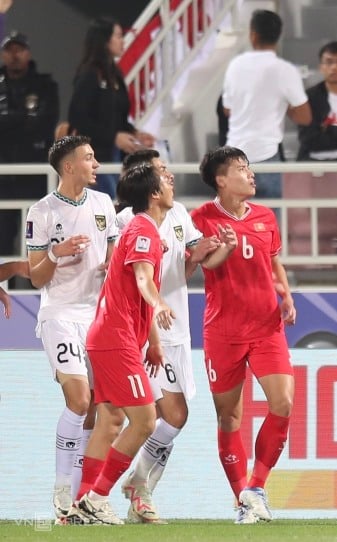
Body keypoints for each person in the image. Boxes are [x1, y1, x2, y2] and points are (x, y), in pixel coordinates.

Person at [190, 146, 296, 524]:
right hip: (224, 331)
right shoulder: (201, 218)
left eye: (249, 169)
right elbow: (204, 263)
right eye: (241, 169)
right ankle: (243, 502)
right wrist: (225, 249)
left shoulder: (266, 216)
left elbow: (274, 261)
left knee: (282, 403)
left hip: (267, 326)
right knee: (229, 417)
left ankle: (256, 486)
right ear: (221, 179)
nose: (250, 175)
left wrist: (285, 295)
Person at [67, 162, 176, 525]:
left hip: (115, 335)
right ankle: (98, 498)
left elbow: (134, 288)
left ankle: (81, 503)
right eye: (165, 179)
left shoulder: (142, 228)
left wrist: (154, 340)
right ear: (154, 194)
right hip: (115, 338)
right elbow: (144, 279)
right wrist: (160, 301)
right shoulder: (143, 229)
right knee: (145, 420)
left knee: (111, 419)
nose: (171, 181)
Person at [115, 150, 221, 523]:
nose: (169, 176)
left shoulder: (178, 214)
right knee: (165, 416)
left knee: (169, 418)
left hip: (175, 328)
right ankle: (107, 489)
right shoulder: (128, 221)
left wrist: (204, 252)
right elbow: (133, 276)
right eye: (161, 171)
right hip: (142, 330)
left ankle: (137, 494)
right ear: (146, 182)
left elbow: (186, 263)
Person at [25, 135, 118, 523]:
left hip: (97, 317)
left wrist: (110, 267)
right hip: (60, 314)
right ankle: (62, 488)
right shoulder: (42, 212)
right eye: (89, 158)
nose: (96, 164)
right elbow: (34, 277)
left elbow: (113, 252)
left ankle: (80, 501)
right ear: (68, 167)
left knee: (96, 411)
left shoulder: (103, 204)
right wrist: (55, 253)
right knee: (79, 400)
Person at [221, 10, 311, 208]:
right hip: (267, 155)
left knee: (233, 223)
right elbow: (305, 117)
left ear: (253, 34)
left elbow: (227, 110)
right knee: (267, 224)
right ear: (278, 36)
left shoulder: (235, 65)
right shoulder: (285, 70)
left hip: (234, 155)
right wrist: (283, 103)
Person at [68, 17, 155, 200]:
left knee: (114, 206)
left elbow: (117, 118)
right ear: (105, 40)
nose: (122, 40)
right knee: (102, 211)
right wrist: (114, 137)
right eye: (118, 36)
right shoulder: (90, 73)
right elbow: (78, 117)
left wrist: (134, 133)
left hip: (114, 157)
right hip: (94, 158)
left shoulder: (114, 73)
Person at [0, 31, 59, 257]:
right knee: (3, 238)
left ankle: (39, 289)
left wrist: (8, 121)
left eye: (20, 50)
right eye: (10, 50)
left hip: (34, 174)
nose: (15, 55)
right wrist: (23, 118)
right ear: (3, 54)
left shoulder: (45, 85)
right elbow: (29, 123)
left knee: (39, 238)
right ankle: (4, 289)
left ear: (28, 53)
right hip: (3, 174)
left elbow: (44, 124)